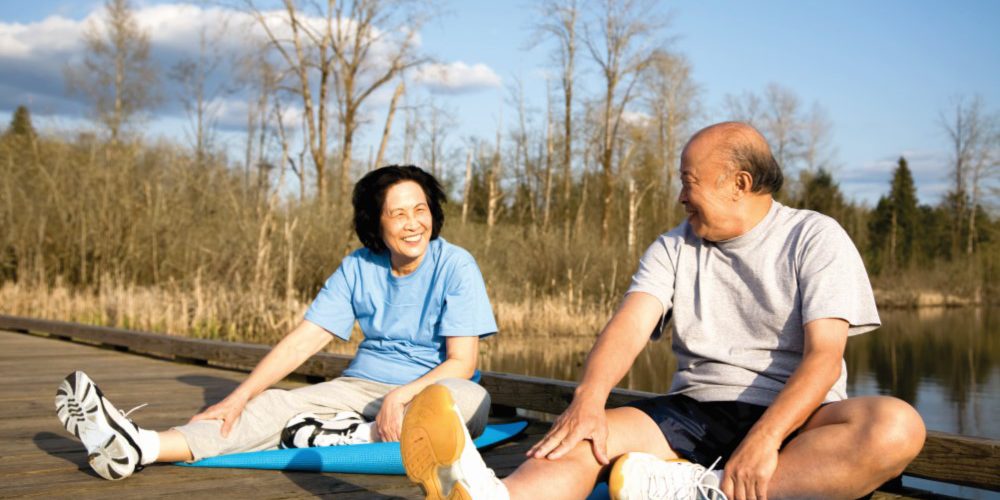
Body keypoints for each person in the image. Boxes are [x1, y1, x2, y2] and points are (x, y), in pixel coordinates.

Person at [399, 122, 926, 500]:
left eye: (689, 180)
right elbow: (629, 325)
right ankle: (497, 498)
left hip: (797, 418)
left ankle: (699, 490)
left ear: (739, 183)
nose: (679, 196)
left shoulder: (814, 236)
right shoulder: (675, 246)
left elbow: (825, 359)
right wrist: (588, 400)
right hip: (695, 410)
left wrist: (765, 439)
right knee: (584, 435)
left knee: (898, 427)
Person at [55, 165, 498, 481]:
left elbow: (462, 361)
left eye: (420, 209)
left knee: (460, 405)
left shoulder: (456, 265)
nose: (413, 223)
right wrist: (240, 395)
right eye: (398, 213)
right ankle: (140, 445)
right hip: (361, 387)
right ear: (375, 223)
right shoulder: (359, 266)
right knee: (267, 408)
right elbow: (304, 340)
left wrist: (401, 397)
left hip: (433, 388)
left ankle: (346, 433)